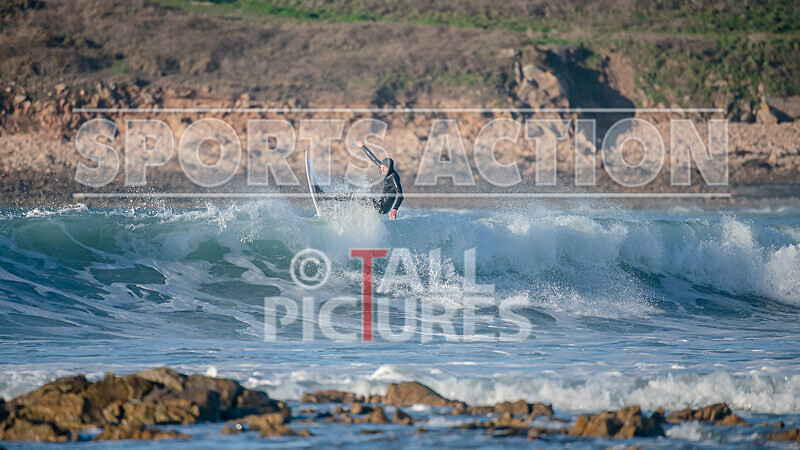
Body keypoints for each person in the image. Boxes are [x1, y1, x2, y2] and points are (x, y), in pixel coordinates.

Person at [312, 138, 404, 219]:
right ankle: (329, 201)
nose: (383, 170)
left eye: (385, 168)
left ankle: (324, 197)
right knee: (356, 197)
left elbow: (400, 194)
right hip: (379, 205)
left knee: (355, 195)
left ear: (390, 168)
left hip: (380, 208)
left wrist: (395, 209)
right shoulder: (385, 169)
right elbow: (374, 159)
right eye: (382, 167)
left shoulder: (394, 177)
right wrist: (362, 146)